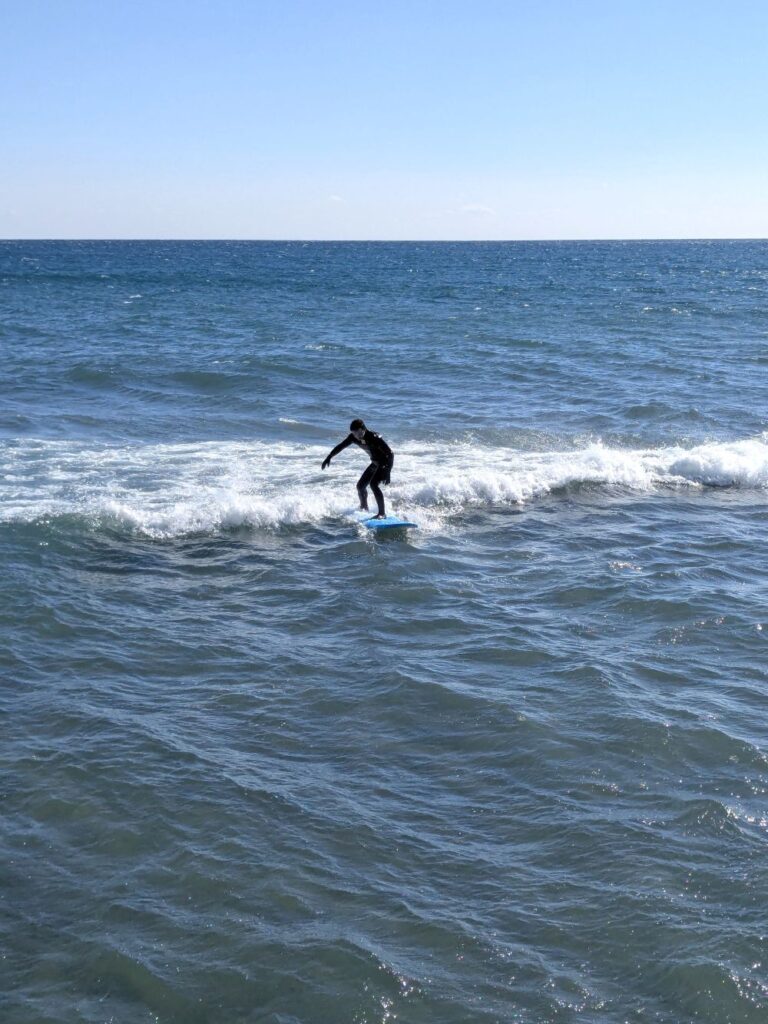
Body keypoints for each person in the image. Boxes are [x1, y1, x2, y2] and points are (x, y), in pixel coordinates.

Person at [321, 419, 393, 518]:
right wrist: (329, 457)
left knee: (373, 484)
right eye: (354, 433)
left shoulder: (374, 437)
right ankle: (364, 508)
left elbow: (390, 454)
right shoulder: (353, 437)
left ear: (363, 429)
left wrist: (388, 472)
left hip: (384, 464)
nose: (356, 436)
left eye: (358, 433)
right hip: (374, 463)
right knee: (360, 486)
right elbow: (341, 446)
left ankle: (382, 513)